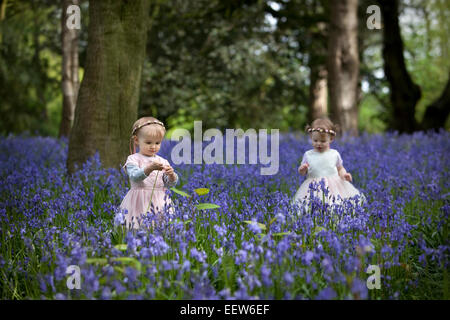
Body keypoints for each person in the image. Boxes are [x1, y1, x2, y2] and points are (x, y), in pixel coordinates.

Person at [118, 117, 178, 229]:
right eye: (148, 142)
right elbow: (135, 177)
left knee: (160, 226)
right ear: (136, 140)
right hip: (139, 200)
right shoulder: (133, 159)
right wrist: (149, 168)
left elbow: (169, 184)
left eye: (157, 143)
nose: (153, 146)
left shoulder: (162, 161)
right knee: (138, 225)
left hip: (160, 200)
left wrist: (171, 175)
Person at [293, 117, 365, 209]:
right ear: (311, 137)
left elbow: (340, 168)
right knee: (312, 207)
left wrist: (344, 174)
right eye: (315, 140)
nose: (319, 143)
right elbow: (302, 173)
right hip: (313, 187)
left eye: (323, 141)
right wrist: (302, 169)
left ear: (331, 139)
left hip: (334, 187)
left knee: (335, 205)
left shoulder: (334, 154)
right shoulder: (308, 155)